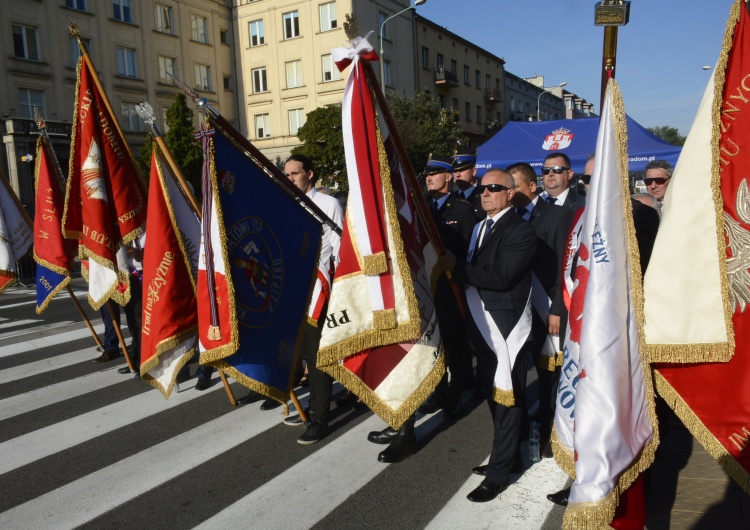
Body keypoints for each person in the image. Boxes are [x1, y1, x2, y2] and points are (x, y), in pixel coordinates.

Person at [546, 153, 659, 508]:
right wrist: (558, 312)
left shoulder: (640, 216)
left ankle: (623, 480)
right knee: (584, 405)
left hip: (620, 332)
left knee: (614, 409)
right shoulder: (579, 216)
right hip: (582, 331)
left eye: (598, 180)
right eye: (587, 181)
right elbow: (569, 271)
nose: (590, 187)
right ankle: (586, 477)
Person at [366, 155, 475, 464]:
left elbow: (467, 249)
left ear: (449, 177)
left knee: (453, 344)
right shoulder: (417, 208)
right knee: (427, 347)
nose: (428, 178)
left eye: (436, 174)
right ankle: (435, 392)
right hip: (422, 287)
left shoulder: (462, 210)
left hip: (450, 286)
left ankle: (454, 394)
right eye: (426, 174)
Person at [439, 168, 537, 503]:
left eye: (494, 188)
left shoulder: (521, 230)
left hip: (506, 327)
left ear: (511, 193)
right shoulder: (481, 226)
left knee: (507, 398)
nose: (486, 193)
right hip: (481, 324)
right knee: (494, 395)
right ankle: (509, 456)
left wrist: (457, 267)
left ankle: (498, 474)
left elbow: (502, 276)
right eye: (482, 188)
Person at [507, 162, 572, 452]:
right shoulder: (509, 218)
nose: (509, 193)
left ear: (532, 187)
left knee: (549, 373)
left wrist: (557, 307)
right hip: (519, 311)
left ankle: (551, 426)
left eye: (514, 187)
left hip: (548, 308)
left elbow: (563, 266)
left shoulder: (557, 215)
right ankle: (526, 425)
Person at [281, 154, 344, 445]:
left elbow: (339, 247)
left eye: (295, 173)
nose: (290, 178)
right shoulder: (286, 203)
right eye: (287, 174)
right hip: (295, 289)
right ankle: (311, 408)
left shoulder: (328, 204)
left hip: (319, 289)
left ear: (310, 174)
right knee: (305, 355)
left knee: (319, 359)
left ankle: (320, 417)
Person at [452, 148, 484, 221]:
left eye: (462, 170)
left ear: (474, 171)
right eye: (455, 171)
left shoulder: (484, 195)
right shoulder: (452, 198)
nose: (458, 174)